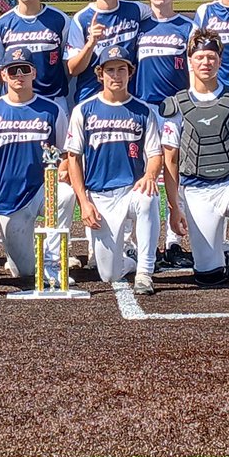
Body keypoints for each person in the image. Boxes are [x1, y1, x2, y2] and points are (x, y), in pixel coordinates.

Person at [160, 29, 229, 295]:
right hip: (196, 189)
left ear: (220, 60)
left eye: (211, 57)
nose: (206, 63)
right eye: (200, 57)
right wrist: (175, 207)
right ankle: (228, 259)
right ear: (190, 60)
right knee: (207, 276)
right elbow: (170, 161)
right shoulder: (177, 105)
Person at [66, 45, 161, 295]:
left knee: (149, 196)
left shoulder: (143, 110)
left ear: (130, 73)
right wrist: (84, 202)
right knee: (108, 274)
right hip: (99, 195)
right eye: (110, 70)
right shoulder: (83, 110)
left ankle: (145, 271)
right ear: (100, 74)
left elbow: (154, 154)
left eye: (122, 69)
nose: (116, 75)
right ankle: (129, 259)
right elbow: (73, 158)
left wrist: (150, 175)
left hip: (131, 189)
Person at [0, 47, 74, 286]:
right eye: (13, 70)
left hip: (44, 188)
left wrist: (63, 169)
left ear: (34, 73)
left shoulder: (53, 110)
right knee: (25, 272)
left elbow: (64, 153)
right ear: (3, 75)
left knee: (64, 194)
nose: (19, 75)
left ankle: (54, 263)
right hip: (8, 198)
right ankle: (27, 256)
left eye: (24, 69)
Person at [132, 0, 195, 271]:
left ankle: (173, 241)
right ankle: (143, 245)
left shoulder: (187, 26)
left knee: (174, 174)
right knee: (144, 176)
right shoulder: (138, 27)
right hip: (143, 107)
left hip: (176, 108)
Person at [67, 0, 147, 105]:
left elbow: (164, 17)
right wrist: (91, 43)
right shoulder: (82, 18)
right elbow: (73, 69)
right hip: (90, 97)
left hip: (128, 97)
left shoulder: (137, 9)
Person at [0, 0, 72, 106]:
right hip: (15, 102)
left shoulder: (60, 19)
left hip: (53, 99)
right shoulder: (1, 24)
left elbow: (67, 63)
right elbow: (0, 69)